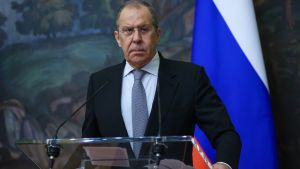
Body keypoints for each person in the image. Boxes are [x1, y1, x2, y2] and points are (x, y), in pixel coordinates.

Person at [82, 1, 241, 169]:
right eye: (128, 30)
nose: (136, 38)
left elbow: (226, 135)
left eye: (144, 29)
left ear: (157, 34)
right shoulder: (100, 82)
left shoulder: (190, 78)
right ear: (118, 38)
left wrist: (223, 165)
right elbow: (88, 146)